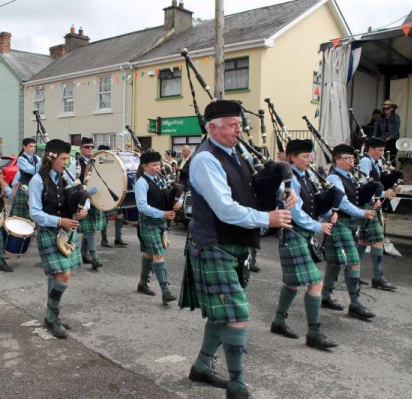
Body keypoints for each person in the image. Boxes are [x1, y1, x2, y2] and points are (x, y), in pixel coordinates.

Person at [179, 100, 295, 398]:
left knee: (223, 314)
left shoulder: (236, 155)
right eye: (232, 125)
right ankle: (237, 385)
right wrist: (266, 218)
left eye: (239, 124)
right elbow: (226, 209)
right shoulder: (206, 159)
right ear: (212, 128)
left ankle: (202, 367)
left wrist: (279, 194)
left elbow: (251, 195)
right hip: (213, 244)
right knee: (237, 316)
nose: (238, 129)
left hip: (233, 246)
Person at [270, 139, 338, 351]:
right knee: (315, 283)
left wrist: (327, 212)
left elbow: (312, 203)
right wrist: (318, 225)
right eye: (305, 157)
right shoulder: (287, 180)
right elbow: (296, 212)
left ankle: (278, 322)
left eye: (311, 156)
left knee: (292, 283)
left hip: (303, 234)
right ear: (291, 157)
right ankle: (314, 333)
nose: (310, 160)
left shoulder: (306, 176)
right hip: (293, 233)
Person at [29, 139, 88, 339]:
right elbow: (35, 213)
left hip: (66, 232)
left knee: (56, 276)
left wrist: (83, 209)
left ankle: (51, 315)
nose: (67, 162)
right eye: (63, 158)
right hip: (49, 232)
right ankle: (52, 317)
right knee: (64, 276)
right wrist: (60, 220)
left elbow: (81, 195)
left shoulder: (65, 177)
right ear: (51, 158)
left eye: (67, 158)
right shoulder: (37, 180)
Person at [321, 144, 377, 321]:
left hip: (349, 223)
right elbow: (343, 202)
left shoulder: (350, 176)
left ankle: (324, 296)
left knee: (335, 262)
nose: (352, 161)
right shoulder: (334, 177)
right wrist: (362, 213)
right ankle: (355, 304)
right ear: (337, 160)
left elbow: (357, 195)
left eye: (353, 158)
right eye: (348, 158)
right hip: (340, 223)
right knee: (353, 262)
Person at [134, 151, 182, 304]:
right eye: (154, 165)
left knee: (150, 254)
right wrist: (162, 213)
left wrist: (178, 201)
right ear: (144, 166)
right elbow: (142, 207)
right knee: (158, 254)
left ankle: (142, 284)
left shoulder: (160, 179)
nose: (158, 167)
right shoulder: (141, 183)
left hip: (160, 222)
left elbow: (170, 194)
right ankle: (165, 291)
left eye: (158, 164)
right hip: (148, 222)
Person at [357, 137, 401, 290]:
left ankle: (353, 274)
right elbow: (363, 185)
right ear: (370, 149)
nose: (382, 153)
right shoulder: (365, 161)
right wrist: (383, 194)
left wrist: (392, 188)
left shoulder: (376, 162)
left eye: (383, 150)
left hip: (374, 204)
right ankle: (377, 276)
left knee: (363, 240)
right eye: (380, 150)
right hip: (368, 204)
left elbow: (380, 181)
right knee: (378, 239)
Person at [77, 137, 106, 270]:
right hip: (84, 199)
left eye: (91, 147)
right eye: (86, 147)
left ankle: (83, 254)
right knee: (89, 230)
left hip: (97, 199)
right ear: (81, 148)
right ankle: (94, 257)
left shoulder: (97, 162)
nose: (89, 149)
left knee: (91, 229)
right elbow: (74, 182)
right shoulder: (76, 163)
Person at [98, 144, 127, 248]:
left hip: (115, 192)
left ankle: (118, 238)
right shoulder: (96, 161)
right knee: (104, 218)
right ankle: (104, 239)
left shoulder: (112, 161)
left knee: (120, 215)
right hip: (104, 194)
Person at [10, 138, 41, 220]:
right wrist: (43, 161)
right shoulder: (21, 159)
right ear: (24, 147)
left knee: (31, 212)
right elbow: (33, 170)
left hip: (34, 187)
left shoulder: (36, 158)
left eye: (34, 146)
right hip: (24, 188)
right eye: (31, 146)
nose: (33, 148)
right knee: (20, 215)